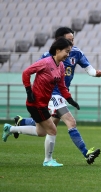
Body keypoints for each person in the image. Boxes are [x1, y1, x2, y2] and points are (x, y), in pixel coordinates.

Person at [11, 27, 101, 164]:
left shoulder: (75, 53)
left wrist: (95, 73)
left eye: (73, 40)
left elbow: (89, 68)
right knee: (70, 122)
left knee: (45, 128)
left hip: (61, 94)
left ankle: (20, 123)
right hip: (52, 95)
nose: (71, 43)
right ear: (58, 42)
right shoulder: (47, 58)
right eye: (68, 40)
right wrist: (30, 91)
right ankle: (86, 153)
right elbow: (31, 72)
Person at [2, 38, 77, 167]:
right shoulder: (46, 62)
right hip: (35, 103)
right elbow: (26, 73)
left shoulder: (61, 66)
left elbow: (62, 86)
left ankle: (11, 129)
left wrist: (70, 99)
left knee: (41, 132)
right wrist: (28, 91)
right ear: (58, 50)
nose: (68, 55)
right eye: (66, 51)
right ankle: (48, 160)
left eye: (69, 52)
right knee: (52, 130)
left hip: (43, 103)